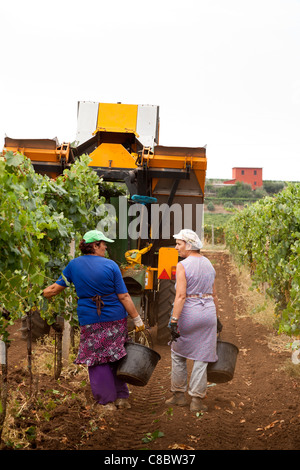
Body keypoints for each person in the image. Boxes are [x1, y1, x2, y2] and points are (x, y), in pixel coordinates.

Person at [43, 229, 145, 412]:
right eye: (103, 243)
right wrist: (137, 319)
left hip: (90, 320)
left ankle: (106, 403)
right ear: (95, 245)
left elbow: (55, 289)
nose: (106, 247)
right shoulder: (111, 266)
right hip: (115, 318)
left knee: (97, 359)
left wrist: (41, 294)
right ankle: (121, 397)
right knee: (117, 355)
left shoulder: (73, 266)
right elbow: (124, 296)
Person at [166, 229, 219, 412]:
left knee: (178, 352)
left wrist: (174, 320)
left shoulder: (183, 265)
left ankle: (179, 396)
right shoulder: (209, 264)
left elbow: (180, 296)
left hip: (190, 311)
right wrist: (216, 317)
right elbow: (214, 294)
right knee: (202, 356)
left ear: (189, 245)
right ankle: (196, 401)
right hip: (208, 312)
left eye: (179, 244)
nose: (176, 247)